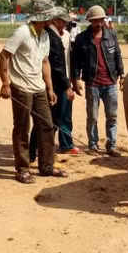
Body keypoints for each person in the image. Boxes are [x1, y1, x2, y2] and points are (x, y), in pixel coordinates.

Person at [0, 0, 66, 184]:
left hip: (39, 88)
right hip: (20, 87)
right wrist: (5, 83)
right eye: (50, 17)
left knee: (46, 125)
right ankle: (22, 168)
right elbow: (3, 56)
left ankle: (47, 166)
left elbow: (45, 62)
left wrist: (50, 88)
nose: (53, 20)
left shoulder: (45, 35)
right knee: (22, 128)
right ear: (43, 17)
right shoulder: (22, 33)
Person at [71, 5, 124, 156]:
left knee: (112, 116)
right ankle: (93, 145)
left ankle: (111, 146)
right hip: (92, 83)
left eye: (101, 20)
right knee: (92, 117)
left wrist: (122, 74)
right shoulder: (82, 39)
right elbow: (75, 61)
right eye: (95, 21)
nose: (99, 24)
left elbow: (117, 55)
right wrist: (76, 79)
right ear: (90, 21)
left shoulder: (111, 35)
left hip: (110, 83)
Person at [47, 8, 78, 155]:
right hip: (53, 83)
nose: (66, 23)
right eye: (63, 21)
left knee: (65, 115)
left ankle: (66, 144)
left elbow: (69, 60)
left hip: (66, 81)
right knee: (50, 115)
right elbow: (55, 64)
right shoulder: (48, 36)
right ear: (55, 20)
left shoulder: (66, 36)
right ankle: (45, 146)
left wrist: (73, 80)